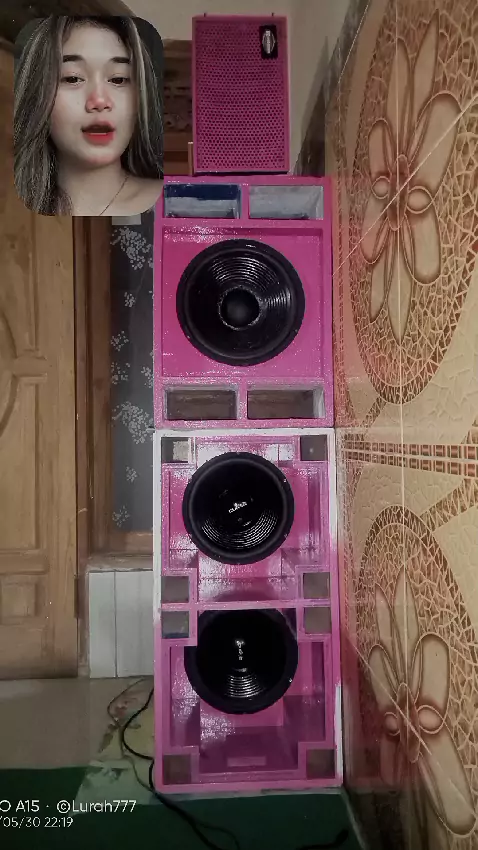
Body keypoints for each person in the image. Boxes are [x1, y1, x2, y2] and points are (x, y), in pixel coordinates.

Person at [14, 15, 163, 216]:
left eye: (119, 79)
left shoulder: (172, 201)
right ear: (38, 94)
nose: (99, 101)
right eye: (72, 78)